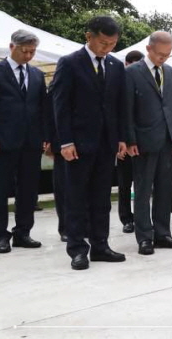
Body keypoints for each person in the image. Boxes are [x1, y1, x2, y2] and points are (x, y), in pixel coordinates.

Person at [53, 16, 127, 270]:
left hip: (107, 144)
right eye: (103, 43)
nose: (107, 48)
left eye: (112, 44)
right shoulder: (70, 63)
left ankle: (101, 245)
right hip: (78, 143)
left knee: (101, 198)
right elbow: (60, 106)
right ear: (89, 36)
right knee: (76, 197)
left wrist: (121, 138)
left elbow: (119, 106)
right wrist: (65, 141)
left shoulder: (117, 67)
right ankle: (77, 249)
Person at [0, 29, 47, 254]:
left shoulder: (37, 75)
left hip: (31, 142)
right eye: (24, 51)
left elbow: (43, 109)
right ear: (12, 47)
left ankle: (23, 233)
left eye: (32, 52)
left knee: (28, 191)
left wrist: (46, 137)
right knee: (0, 191)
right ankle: (0, 236)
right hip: (2, 142)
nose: (28, 56)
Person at [124, 32, 172, 255]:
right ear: (149, 49)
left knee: (165, 188)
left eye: (167, 55)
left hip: (168, 140)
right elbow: (127, 109)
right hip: (142, 140)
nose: (163, 58)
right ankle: (144, 237)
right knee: (143, 190)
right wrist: (130, 139)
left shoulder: (171, 72)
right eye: (160, 54)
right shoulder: (131, 72)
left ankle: (163, 233)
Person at [117, 49, 144, 234]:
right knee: (125, 183)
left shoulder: (145, 82)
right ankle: (126, 218)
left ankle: (143, 217)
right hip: (125, 143)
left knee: (143, 183)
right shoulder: (118, 84)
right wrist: (121, 141)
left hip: (143, 141)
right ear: (126, 64)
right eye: (131, 64)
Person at [44, 79, 66, 241]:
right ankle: (65, 227)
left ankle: (84, 224)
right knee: (63, 188)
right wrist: (49, 140)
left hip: (86, 144)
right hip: (61, 144)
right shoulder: (58, 83)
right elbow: (48, 115)